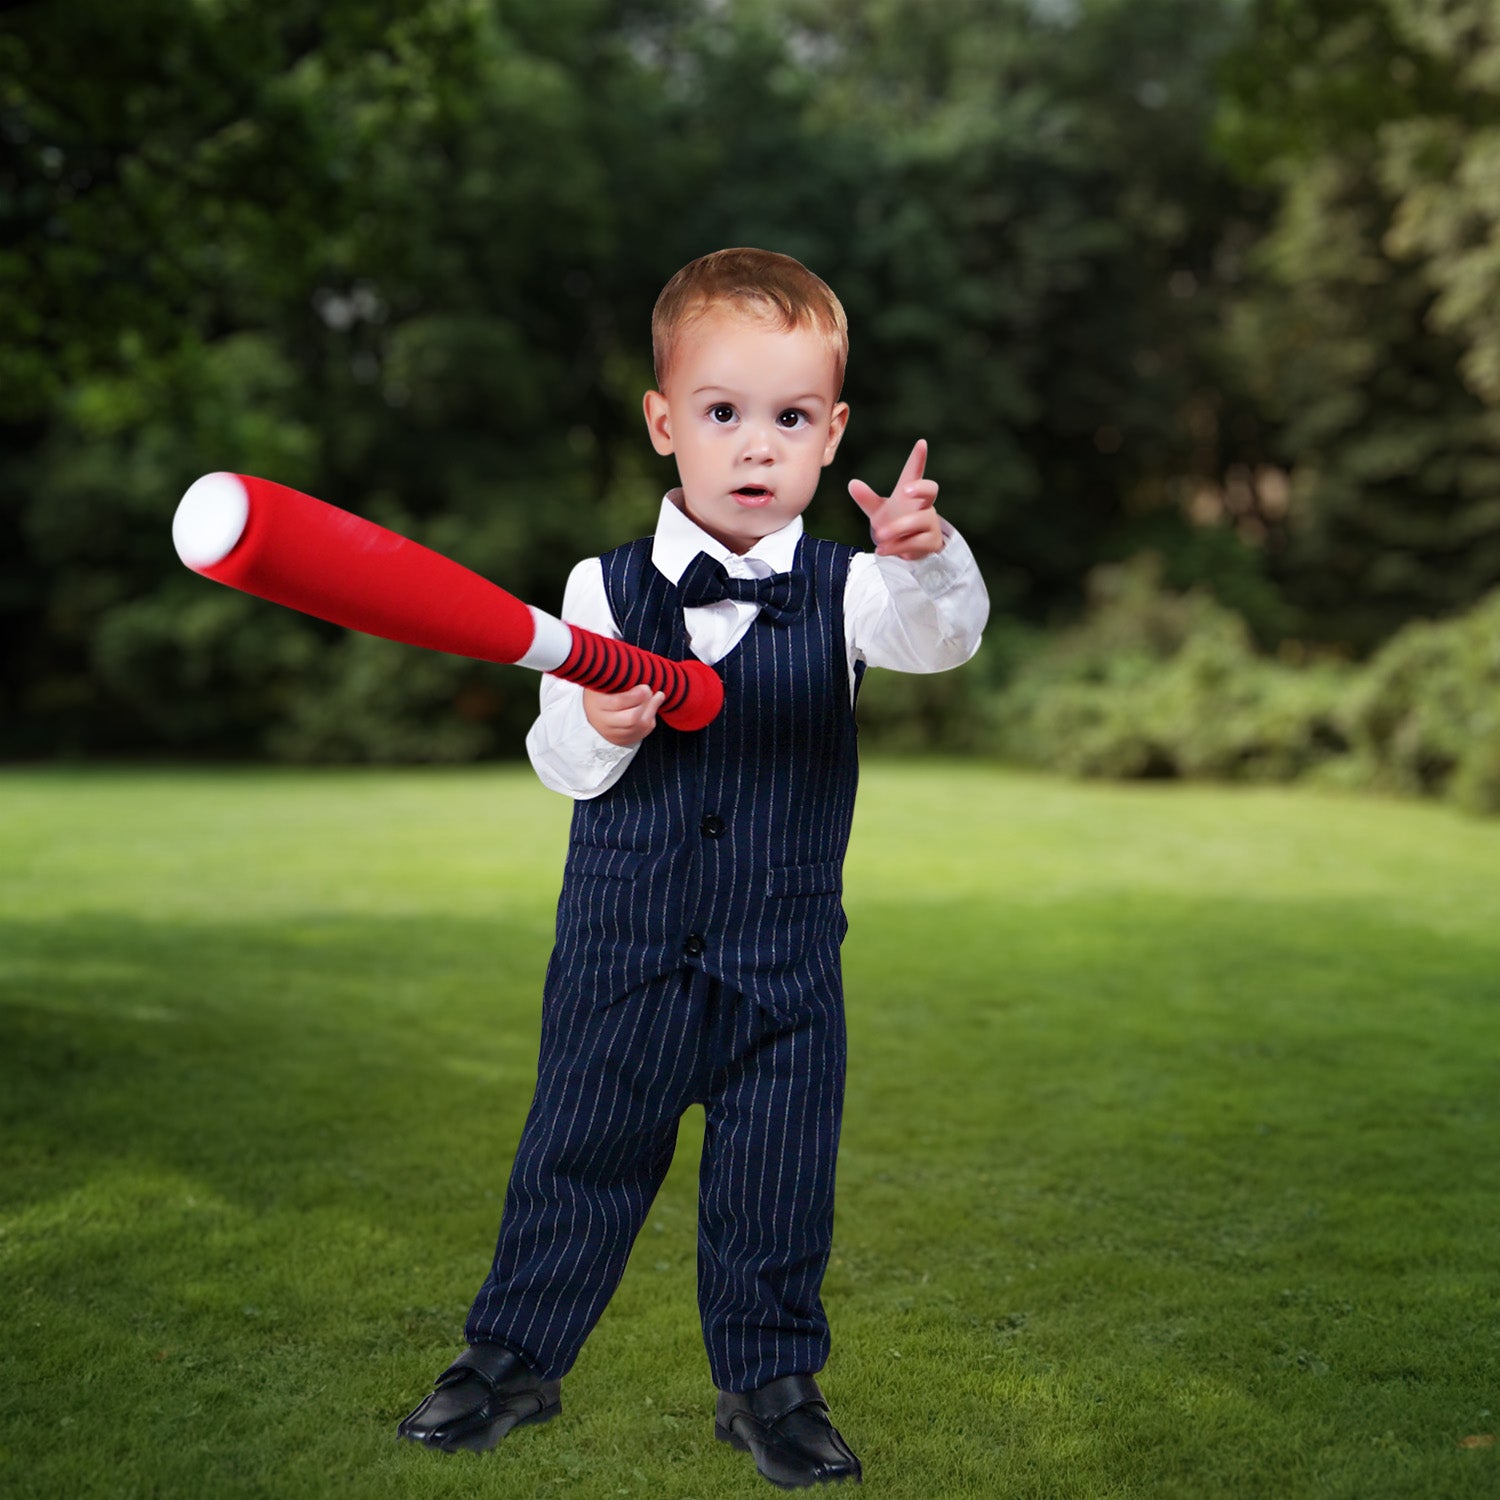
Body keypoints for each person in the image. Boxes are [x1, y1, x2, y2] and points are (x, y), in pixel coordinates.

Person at [398, 247, 988, 1489]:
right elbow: (560, 760)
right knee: (578, 1155)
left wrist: (926, 555)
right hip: (625, 952)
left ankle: (770, 1385)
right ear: (667, 424)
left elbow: (941, 641)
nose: (756, 447)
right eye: (724, 414)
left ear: (833, 437)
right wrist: (598, 725)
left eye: (789, 419)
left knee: (777, 1186)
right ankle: (509, 1362)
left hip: (782, 958)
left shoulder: (853, 590)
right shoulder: (597, 590)